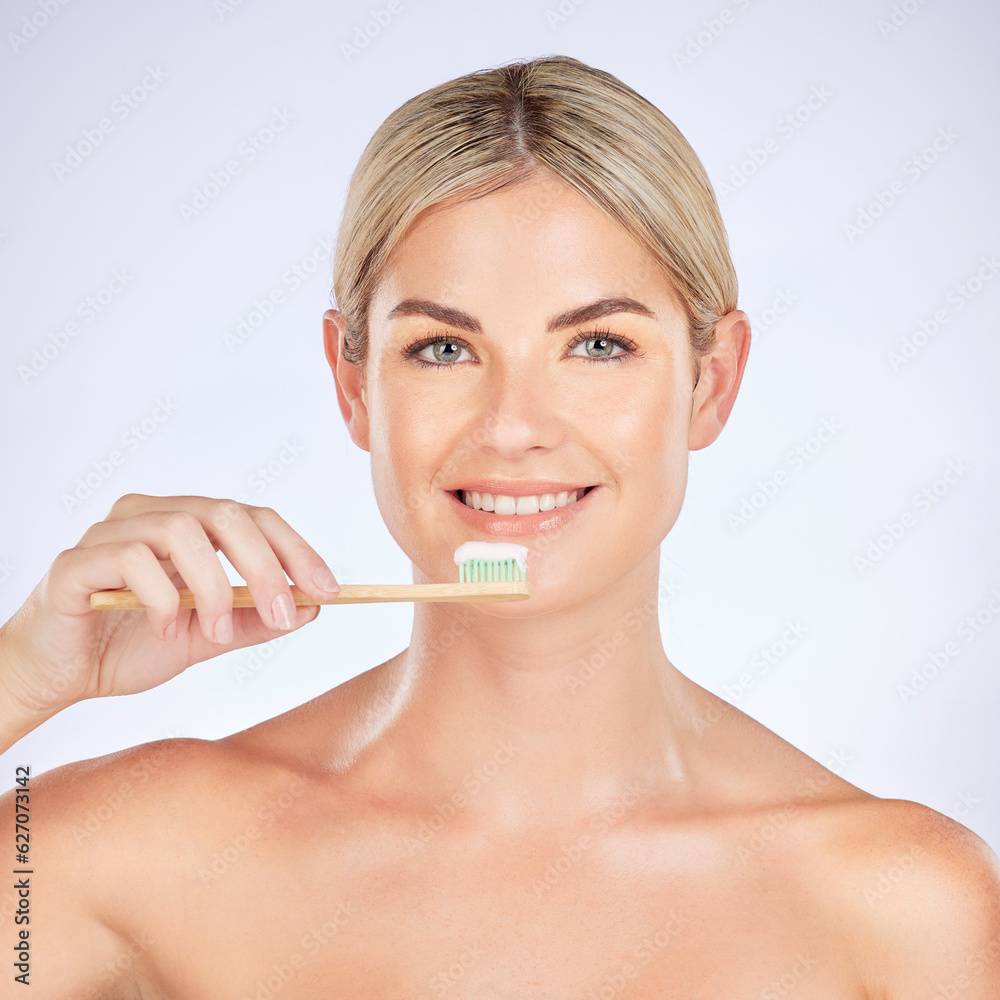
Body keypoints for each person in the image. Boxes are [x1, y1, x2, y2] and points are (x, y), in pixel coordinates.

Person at [1, 55, 998, 999]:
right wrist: (25, 675)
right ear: (351, 384)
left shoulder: (900, 905)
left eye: (597, 344)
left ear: (712, 381)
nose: (515, 426)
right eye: (443, 347)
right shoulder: (129, 854)